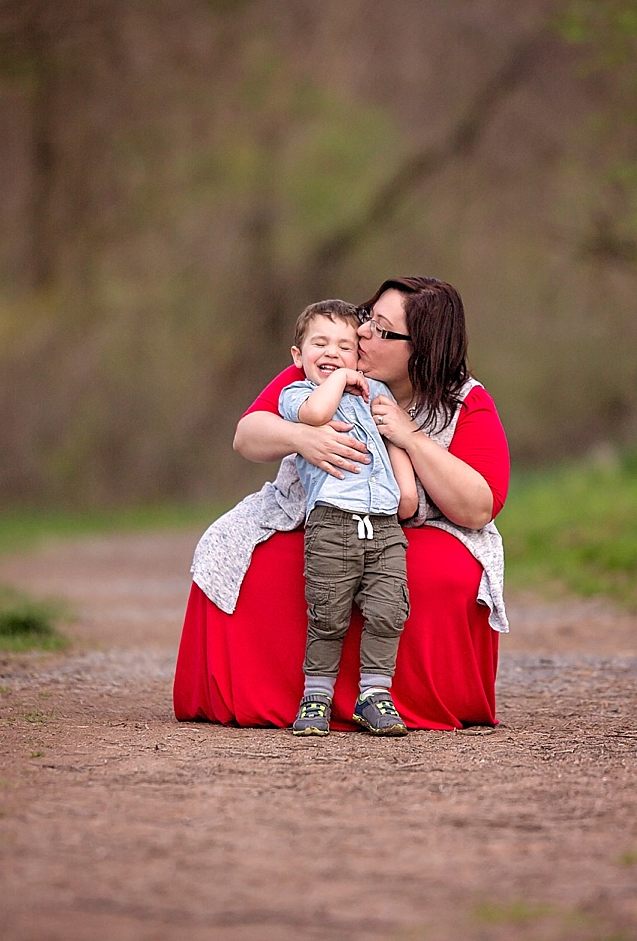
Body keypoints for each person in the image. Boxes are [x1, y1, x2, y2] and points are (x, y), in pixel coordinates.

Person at [174, 276, 510, 731]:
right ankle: (302, 698)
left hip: (417, 525)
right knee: (245, 558)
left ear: (423, 348)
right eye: (369, 316)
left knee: (441, 575)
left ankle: (386, 696)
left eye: (382, 329)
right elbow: (247, 434)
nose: (363, 332)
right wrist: (300, 436)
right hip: (321, 514)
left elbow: (477, 508)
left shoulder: (464, 401)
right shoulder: (327, 367)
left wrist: (407, 437)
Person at [280, 298, 418, 736]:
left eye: (344, 346)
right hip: (333, 524)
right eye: (319, 344)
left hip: (383, 525)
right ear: (297, 356)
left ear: (360, 354)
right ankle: (316, 697)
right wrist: (341, 377)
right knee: (328, 614)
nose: (332, 353)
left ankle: (375, 695)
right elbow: (318, 415)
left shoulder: (377, 393)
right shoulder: (297, 394)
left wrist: (406, 493)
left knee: (388, 611)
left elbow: (393, 438)